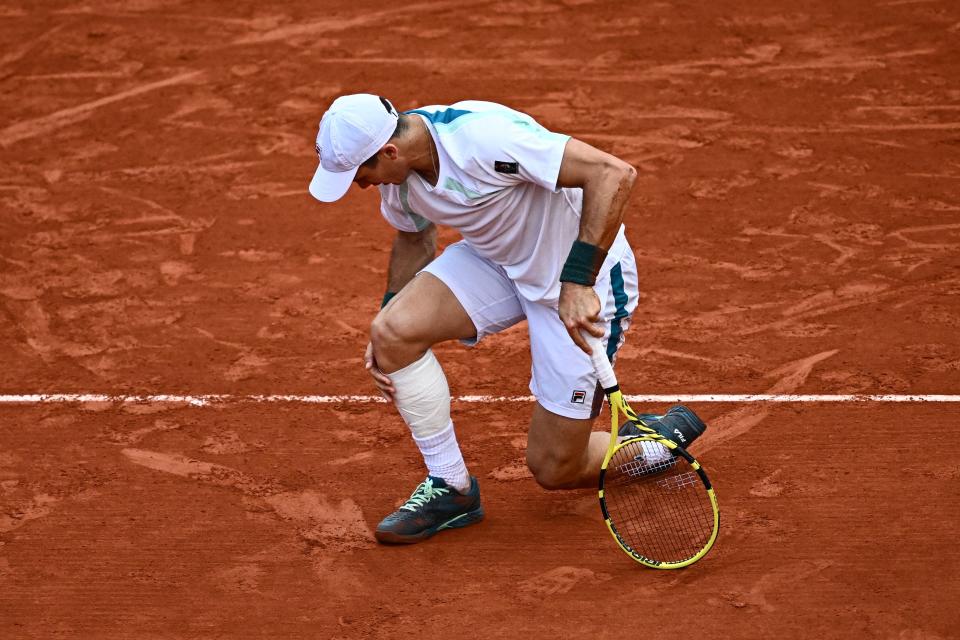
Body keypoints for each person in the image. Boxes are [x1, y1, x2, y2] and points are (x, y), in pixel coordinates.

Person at [308, 94, 706, 544]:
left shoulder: (483, 137)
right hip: (496, 262)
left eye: (363, 174)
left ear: (390, 152)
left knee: (556, 468)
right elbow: (413, 238)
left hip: (577, 281)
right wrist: (390, 308)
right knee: (392, 332)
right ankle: (452, 487)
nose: (361, 185)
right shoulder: (397, 182)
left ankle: (654, 444)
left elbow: (612, 173)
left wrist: (577, 280)